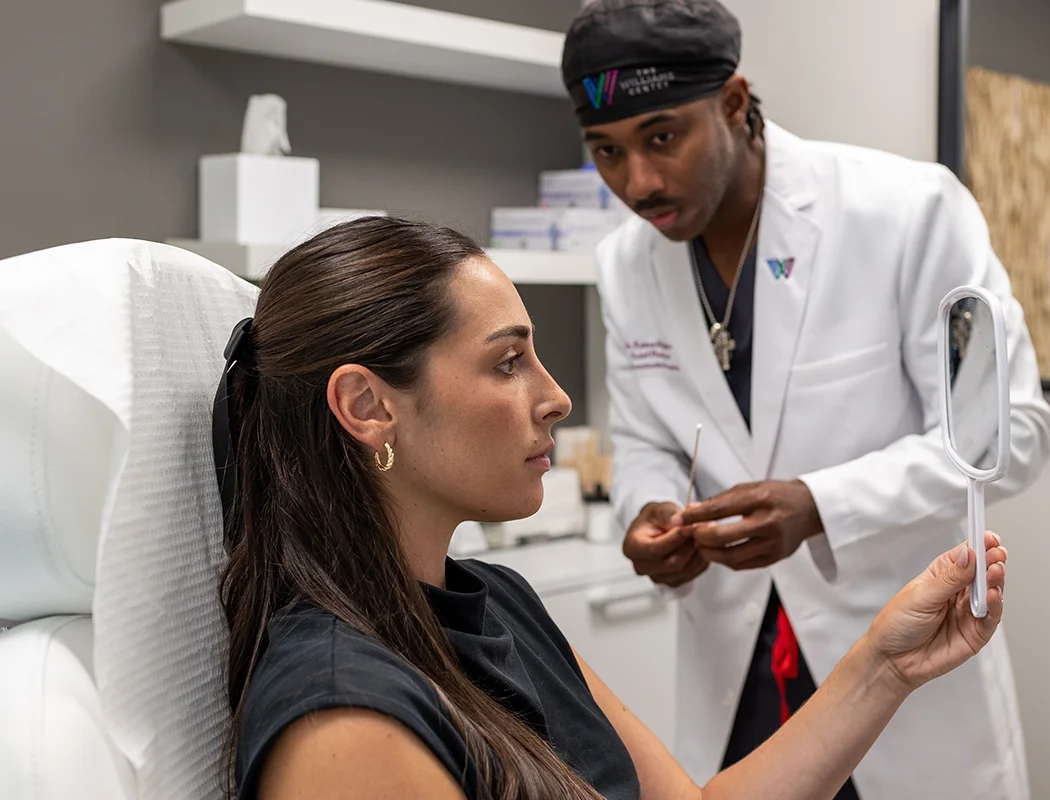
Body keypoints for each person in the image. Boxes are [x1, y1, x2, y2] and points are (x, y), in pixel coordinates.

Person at [214, 216, 1009, 800]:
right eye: (508, 362)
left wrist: (885, 665)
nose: (555, 397)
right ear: (367, 405)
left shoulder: (502, 605)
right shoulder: (344, 722)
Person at [558, 1, 1050, 797]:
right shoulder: (625, 265)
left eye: (661, 137)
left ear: (732, 101)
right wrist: (644, 513)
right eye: (606, 152)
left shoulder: (906, 210)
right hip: (737, 678)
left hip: (903, 669)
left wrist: (818, 504)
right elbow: (648, 438)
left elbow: (1012, 433)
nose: (638, 182)